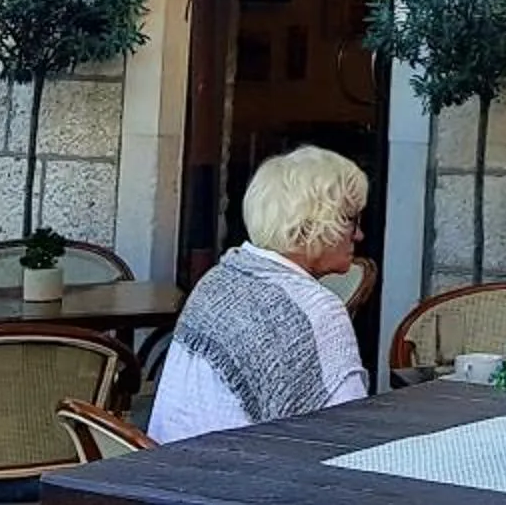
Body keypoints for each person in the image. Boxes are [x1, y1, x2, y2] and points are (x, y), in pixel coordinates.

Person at [146, 146, 371, 443]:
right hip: (229, 482)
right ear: (312, 225)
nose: (359, 235)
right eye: (351, 219)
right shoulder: (315, 309)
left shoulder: (220, 278)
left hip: (162, 470)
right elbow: (346, 434)